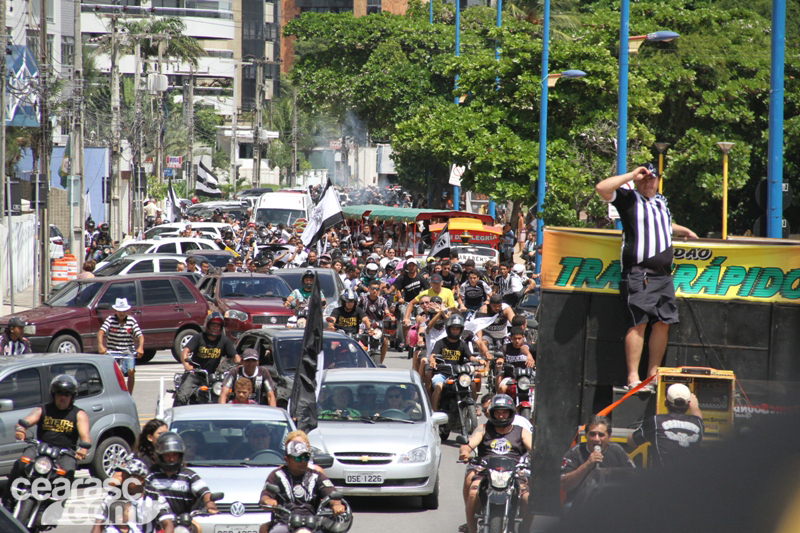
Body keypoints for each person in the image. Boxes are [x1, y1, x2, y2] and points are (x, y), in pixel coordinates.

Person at [595, 163, 698, 389]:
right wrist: (632, 175)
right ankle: (633, 377)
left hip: (663, 275)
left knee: (663, 322)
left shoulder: (661, 201)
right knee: (638, 322)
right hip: (639, 273)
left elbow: (665, 224)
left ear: (658, 180)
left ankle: (653, 374)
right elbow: (601, 188)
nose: (648, 182)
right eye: (644, 178)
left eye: (652, 178)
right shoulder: (628, 198)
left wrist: (684, 230)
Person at [3, 375, 91, 509]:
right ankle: (8, 501)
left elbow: (85, 437)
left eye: (67, 394)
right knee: (21, 463)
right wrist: (21, 429)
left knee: (68, 471)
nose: (63, 397)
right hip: (39, 448)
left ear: (72, 396)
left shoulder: (79, 414)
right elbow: (26, 421)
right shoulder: (43, 409)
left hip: (64, 453)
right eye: (59, 393)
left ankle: (55, 507)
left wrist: (83, 449)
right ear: (53, 394)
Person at [459, 394, 532, 533]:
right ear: (491, 413)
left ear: (510, 413)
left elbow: (535, 449)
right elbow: (469, 444)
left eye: (504, 412)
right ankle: (472, 528)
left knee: (527, 498)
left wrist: (539, 459)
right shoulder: (483, 429)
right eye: (497, 412)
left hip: (515, 472)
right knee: (473, 492)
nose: (501, 416)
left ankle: (525, 528)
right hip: (485, 470)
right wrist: (465, 452)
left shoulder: (521, 431)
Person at [259, 431, 346, 533]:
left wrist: (336, 505)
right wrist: (268, 500)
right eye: (298, 458)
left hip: (313, 523)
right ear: (286, 459)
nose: (303, 461)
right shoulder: (277, 475)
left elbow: (331, 493)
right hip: (284, 522)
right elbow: (265, 496)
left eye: (305, 457)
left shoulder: (316, 475)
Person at [560, 415, 635, 512]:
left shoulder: (617, 451)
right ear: (586, 435)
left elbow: (633, 477)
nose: (596, 439)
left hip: (610, 503)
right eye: (592, 434)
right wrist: (587, 465)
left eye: (601, 435)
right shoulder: (575, 452)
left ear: (609, 436)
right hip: (579, 503)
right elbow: (565, 485)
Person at [146, 432, 218, 527]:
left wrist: (209, 503)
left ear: (180, 455)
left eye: (174, 455)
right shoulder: (150, 474)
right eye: (167, 455)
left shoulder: (189, 475)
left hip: (181, 525)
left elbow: (204, 491)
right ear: (160, 456)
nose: (171, 459)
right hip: (155, 526)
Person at [627, 383, 704, 467]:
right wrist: (695, 405)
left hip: (662, 478)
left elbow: (631, 442)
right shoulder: (698, 424)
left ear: (665, 403)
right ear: (689, 405)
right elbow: (698, 415)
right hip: (689, 479)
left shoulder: (656, 421)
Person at [175, 312, 237, 406]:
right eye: (213, 326)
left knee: (230, 395)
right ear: (207, 326)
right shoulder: (199, 337)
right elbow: (185, 351)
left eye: (217, 326)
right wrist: (187, 365)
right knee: (182, 397)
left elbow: (235, 356)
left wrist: (240, 366)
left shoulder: (224, 340)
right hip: (195, 374)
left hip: (214, 377)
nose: (215, 328)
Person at [429, 314, 480, 411]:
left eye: (457, 329)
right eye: (453, 329)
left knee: (472, 384)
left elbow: (471, 357)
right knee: (438, 386)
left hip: (458, 374)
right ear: (448, 329)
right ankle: (434, 413)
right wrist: (432, 361)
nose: (455, 331)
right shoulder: (440, 342)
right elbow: (433, 355)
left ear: (461, 330)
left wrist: (478, 360)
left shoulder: (462, 344)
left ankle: (473, 407)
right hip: (442, 373)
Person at [98, 298, 144, 394]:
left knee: (131, 371)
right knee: (110, 373)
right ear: (115, 311)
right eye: (119, 311)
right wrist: (101, 346)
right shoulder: (110, 319)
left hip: (127, 351)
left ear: (127, 311)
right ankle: (111, 393)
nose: (121, 313)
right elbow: (101, 332)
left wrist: (140, 347)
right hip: (112, 351)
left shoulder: (131, 321)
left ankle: (129, 394)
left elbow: (140, 335)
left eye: (123, 311)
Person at [358, 279, 393, 363]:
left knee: (385, 340)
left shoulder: (382, 300)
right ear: (369, 288)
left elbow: (386, 310)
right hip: (364, 325)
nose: (375, 291)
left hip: (378, 325)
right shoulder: (362, 299)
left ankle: (380, 362)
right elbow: (356, 310)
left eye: (377, 289)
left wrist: (390, 316)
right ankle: (359, 361)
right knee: (357, 339)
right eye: (373, 288)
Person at [496, 327, 535, 394]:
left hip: (528, 378)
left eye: (519, 338)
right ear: (511, 338)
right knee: (502, 388)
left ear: (523, 337)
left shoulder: (528, 346)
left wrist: (530, 356)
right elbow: (500, 358)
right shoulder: (505, 348)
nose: (517, 341)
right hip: (510, 377)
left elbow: (525, 349)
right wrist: (500, 362)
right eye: (515, 338)